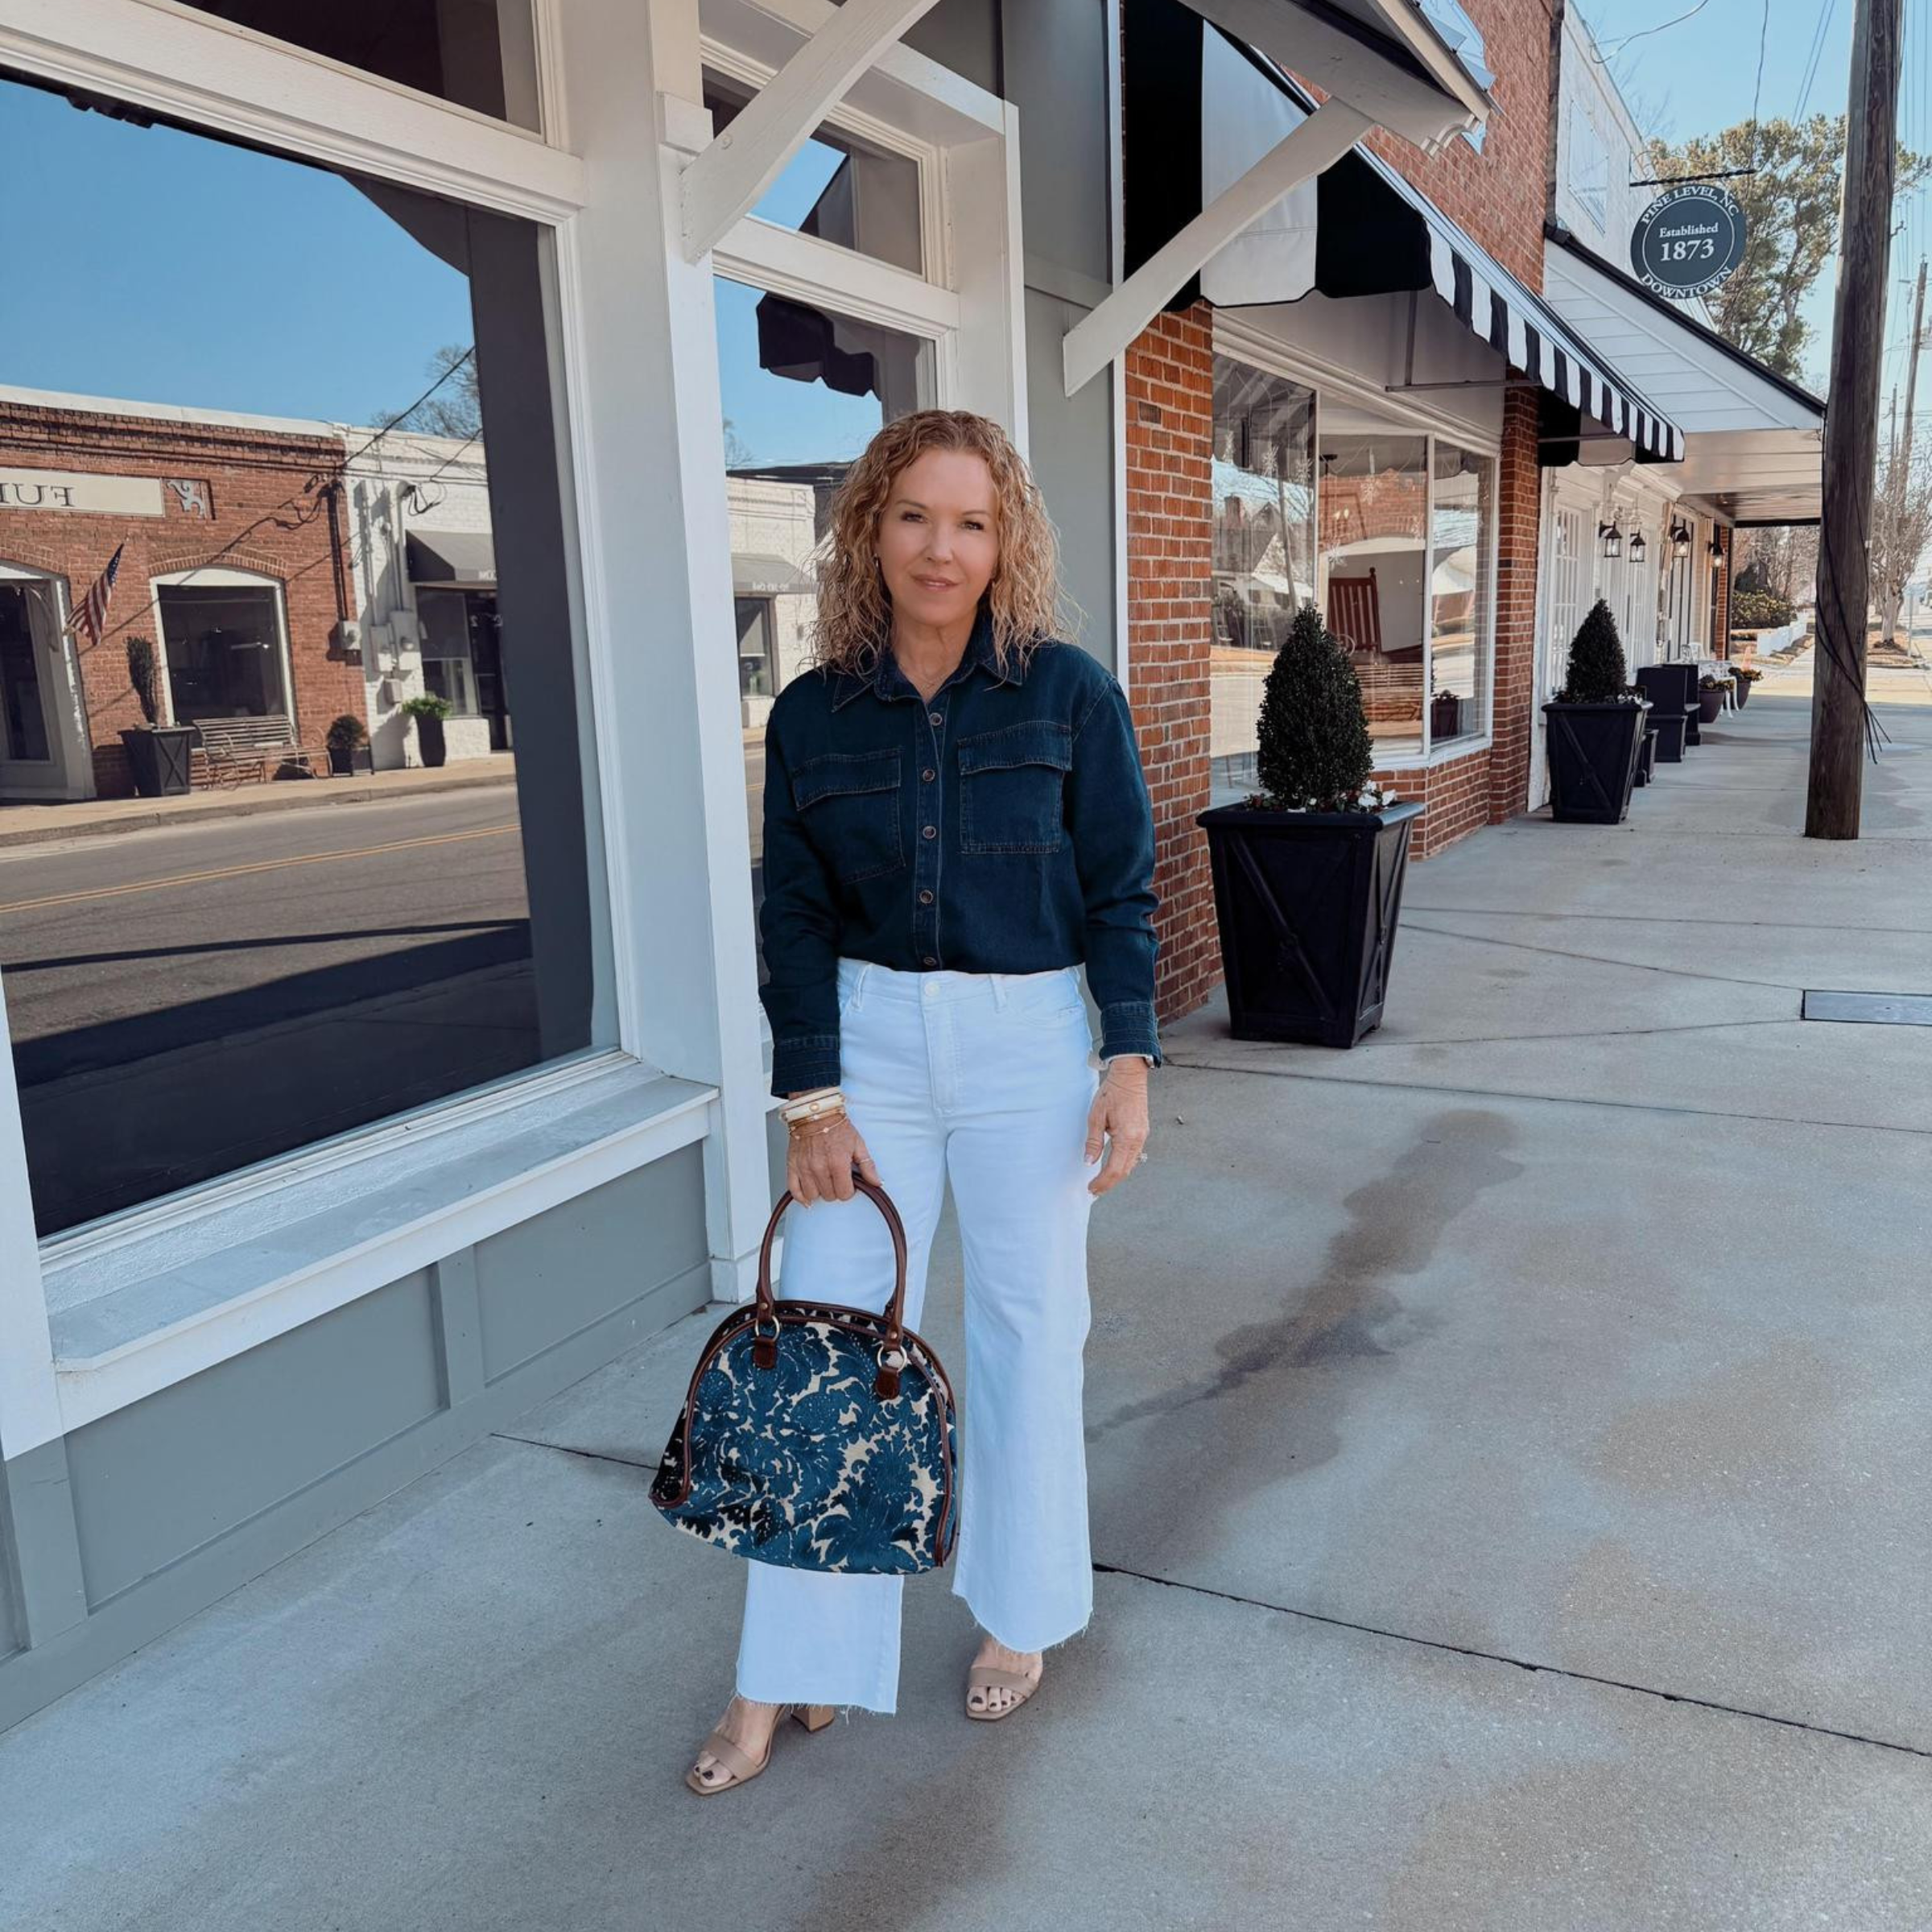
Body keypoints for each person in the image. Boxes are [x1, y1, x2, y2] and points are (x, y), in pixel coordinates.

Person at [686, 408, 1162, 1795]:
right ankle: (791, 1671)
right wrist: (811, 1103)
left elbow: (1123, 888)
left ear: (1003, 537)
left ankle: (1019, 1611)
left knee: (1029, 1332)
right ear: (868, 531)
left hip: (1030, 1046)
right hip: (872, 1052)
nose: (939, 548)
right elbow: (793, 918)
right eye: (913, 517)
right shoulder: (814, 711)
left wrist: (1125, 1063)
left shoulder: (1067, 694)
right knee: (830, 1347)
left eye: (969, 521)